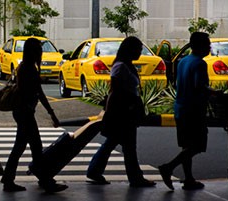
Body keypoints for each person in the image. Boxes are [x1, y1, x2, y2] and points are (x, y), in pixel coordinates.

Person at [86, 36, 156, 188]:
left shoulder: (126, 65)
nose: (139, 52)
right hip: (122, 113)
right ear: (130, 50)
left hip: (125, 112)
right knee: (127, 146)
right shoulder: (121, 67)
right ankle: (135, 178)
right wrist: (129, 106)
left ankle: (95, 171)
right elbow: (116, 90)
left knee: (114, 143)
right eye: (138, 49)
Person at [1, 38, 67, 193]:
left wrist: (50, 113)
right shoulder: (28, 69)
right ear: (32, 51)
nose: (40, 52)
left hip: (23, 112)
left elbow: (38, 92)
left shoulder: (27, 67)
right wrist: (51, 114)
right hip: (25, 113)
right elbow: (38, 92)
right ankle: (45, 181)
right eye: (38, 49)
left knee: (22, 147)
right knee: (35, 148)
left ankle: (9, 179)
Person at [159, 32, 219, 191]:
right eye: (207, 44)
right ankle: (168, 167)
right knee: (197, 146)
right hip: (194, 110)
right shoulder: (200, 63)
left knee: (186, 145)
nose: (209, 47)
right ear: (200, 46)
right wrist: (215, 93)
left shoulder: (183, 61)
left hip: (180, 108)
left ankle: (189, 178)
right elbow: (200, 86)